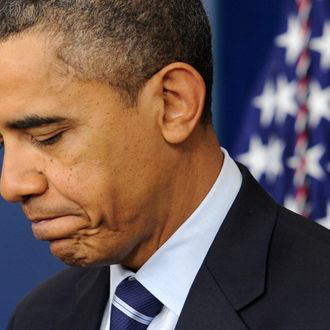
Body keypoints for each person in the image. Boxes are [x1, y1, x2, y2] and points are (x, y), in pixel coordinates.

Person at [2, 0, 330, 329]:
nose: (12, 185)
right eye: (3, 146)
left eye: (48, 136)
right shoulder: (37, 317)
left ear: (174, 104)